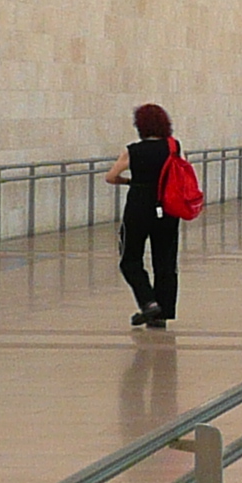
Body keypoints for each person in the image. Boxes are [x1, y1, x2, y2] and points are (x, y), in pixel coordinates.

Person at [104, 103, 183, 327]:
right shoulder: (173, 147)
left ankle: (148, 302)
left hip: (138, 210)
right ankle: (162, 313)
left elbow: (111, 177)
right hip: (167, 209)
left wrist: (130, 181)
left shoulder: (133, 151)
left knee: (130, 259)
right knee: (165, 262)